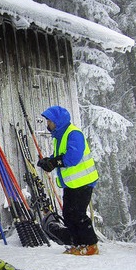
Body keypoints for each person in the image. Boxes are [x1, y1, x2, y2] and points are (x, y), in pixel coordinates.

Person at [37, 106, 99, 255]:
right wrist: (49, 161)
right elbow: (60, 156)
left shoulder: (73, 134)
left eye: (50, 121)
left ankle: (90, 245)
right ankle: (78, 244)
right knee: (69, 215)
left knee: (78, 214)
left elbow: (72, 157)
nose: (48, 124)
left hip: (83, 182)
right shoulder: (60, 136)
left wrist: (54, 162)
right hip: (72, 183)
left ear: (58, 121)